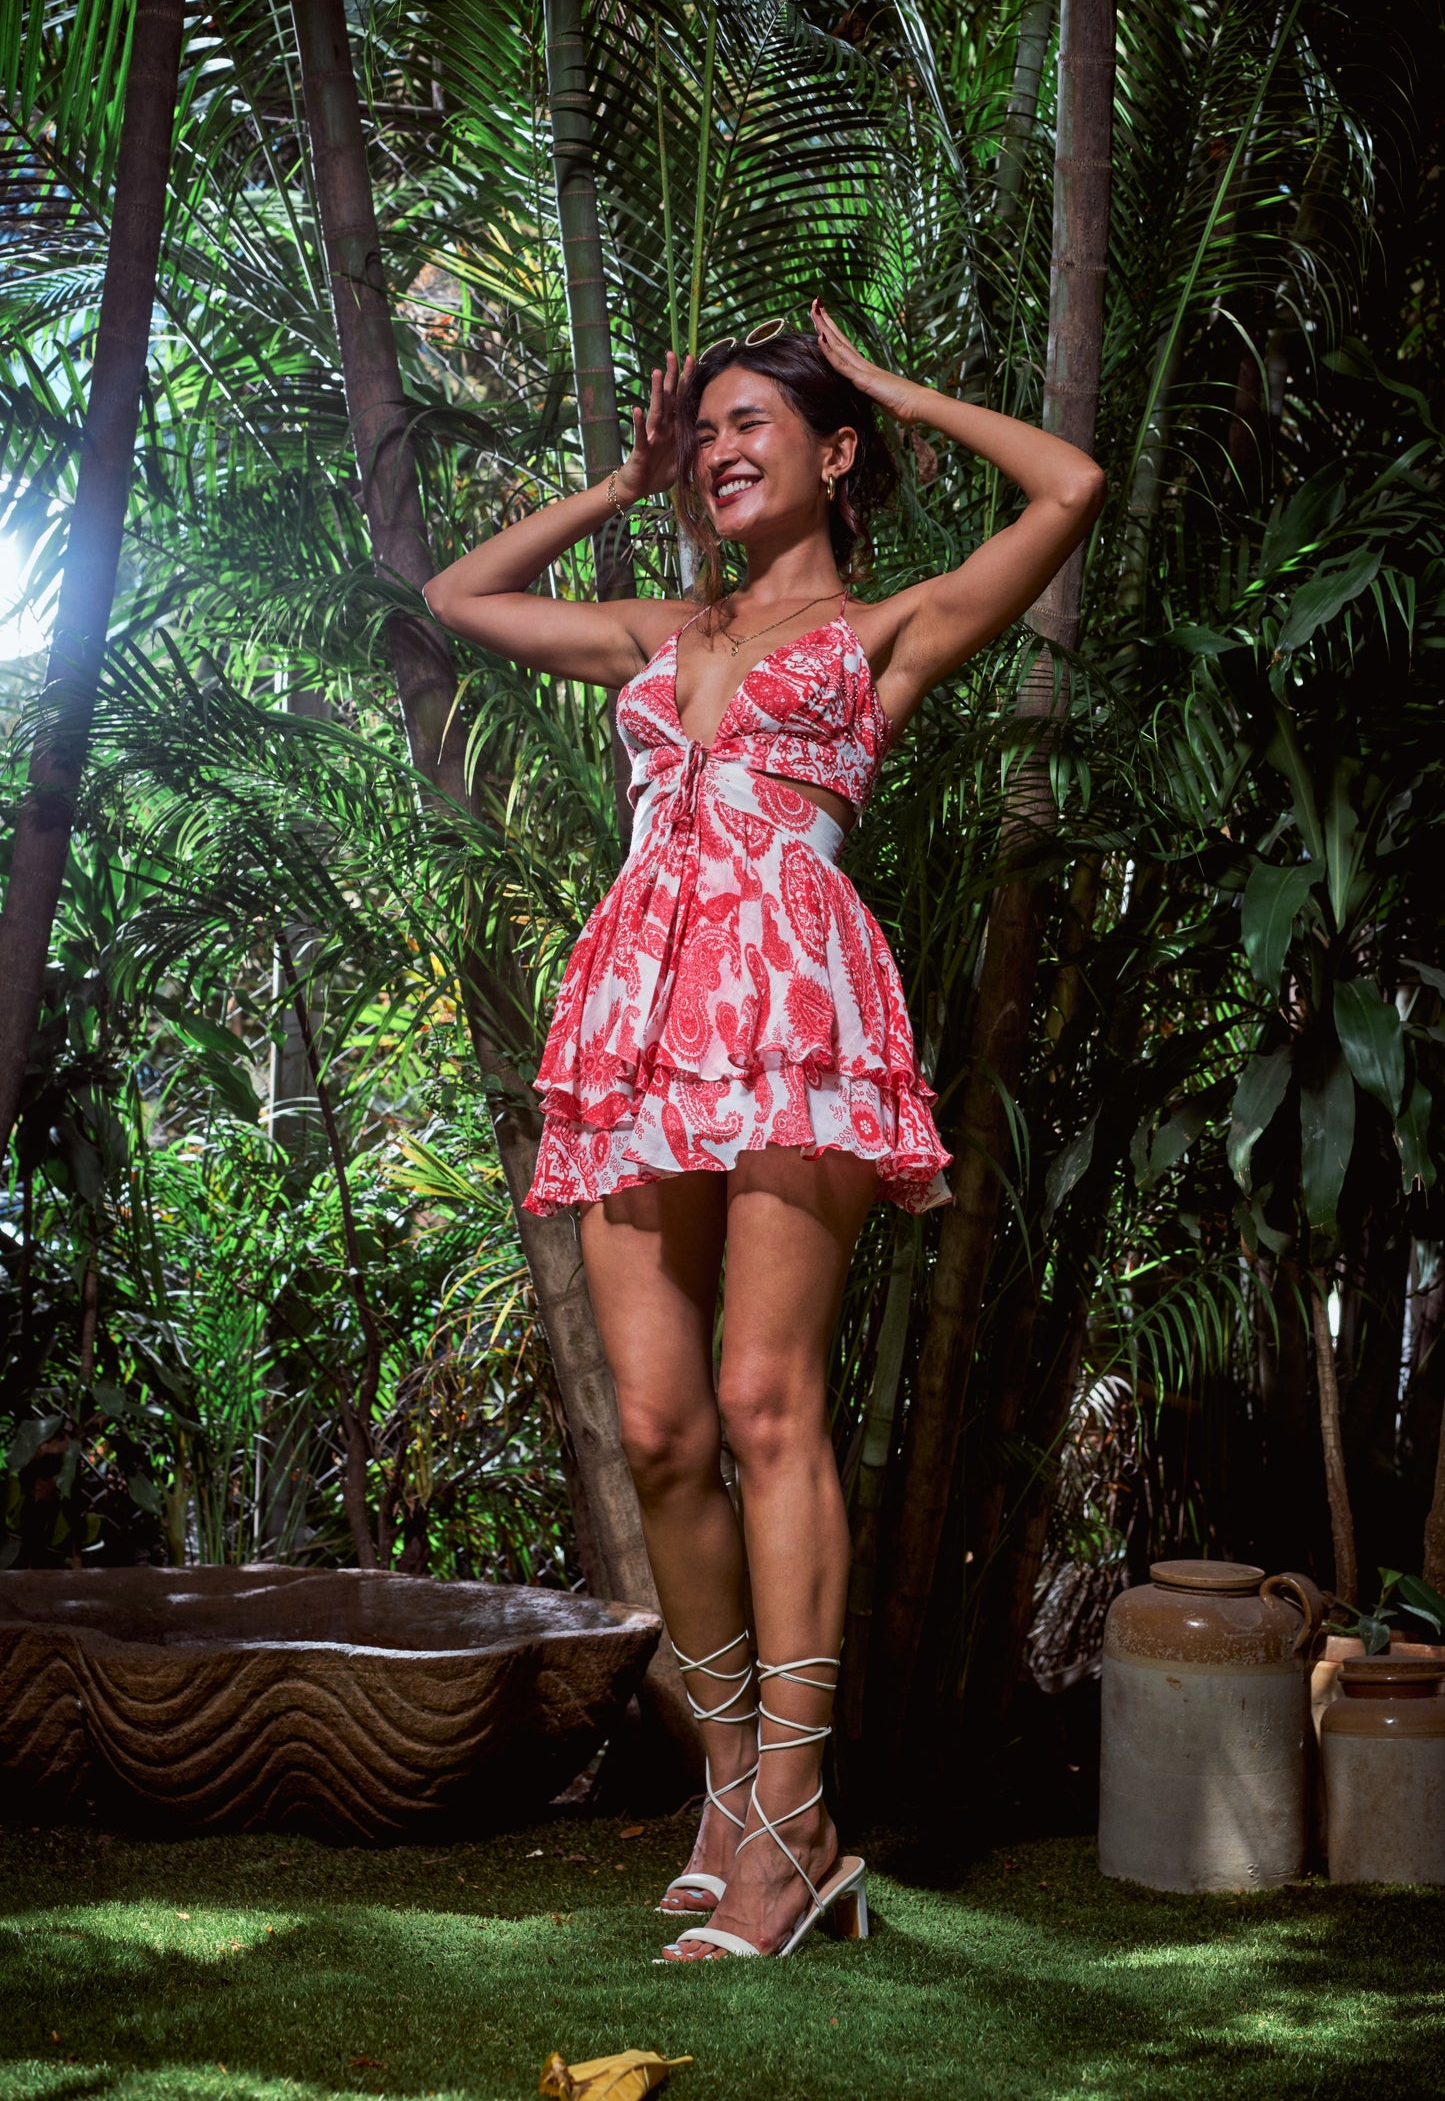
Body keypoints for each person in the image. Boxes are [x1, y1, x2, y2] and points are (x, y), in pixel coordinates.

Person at [422, 300, 1105, 1961]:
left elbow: (1071, 487)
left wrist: (895, 384)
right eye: (707, 432)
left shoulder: (887, 629)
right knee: (659, 1427)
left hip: (795, 1001)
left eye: (754, 426)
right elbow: (456, 597)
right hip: (639, 1014)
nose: (723, 451)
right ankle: (731, 1788)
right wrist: (623, 474)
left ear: (833, 453)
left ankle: (796, 1815)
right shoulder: (659, 626)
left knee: (761, 1399)